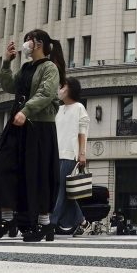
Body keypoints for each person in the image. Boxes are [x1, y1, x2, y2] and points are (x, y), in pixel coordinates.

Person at [0, 30, 63, 241]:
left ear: (38, 44)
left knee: (38, 174)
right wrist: (6, 63)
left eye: (29, 39)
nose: (25, 44)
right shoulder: (26, 67)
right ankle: (8, 219)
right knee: (2, 168)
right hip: (17, 122)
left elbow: (46, 93)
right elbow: (10, 86)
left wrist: (25, 111)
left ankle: (44, 224)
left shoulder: (50, 68)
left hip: (38, 126)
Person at [53, 76, 90, 236]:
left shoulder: (79, 107)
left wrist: (82, 154)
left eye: (64, 86)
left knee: (61, 191)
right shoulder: (58, 109)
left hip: (70, 155)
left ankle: (50, 223)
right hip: (56, 155)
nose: (60, 89)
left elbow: (82, 133)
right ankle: (83, 222)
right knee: (67, 192)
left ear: (71, 89)